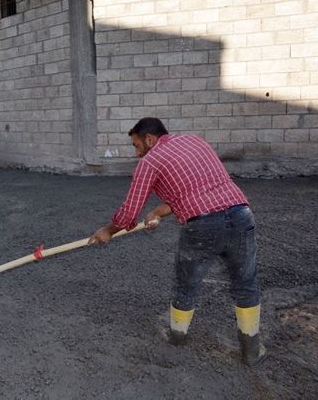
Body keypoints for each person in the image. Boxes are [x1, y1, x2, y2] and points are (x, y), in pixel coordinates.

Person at [88, 117, 265, 366]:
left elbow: (129, 212)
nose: (137, 153)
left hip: (202, 226)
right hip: (241, 215)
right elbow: (196, 190)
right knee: (246, 283)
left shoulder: (150, 161)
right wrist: (157, 212)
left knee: (186, 285)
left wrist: (108, 230)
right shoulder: (194, 141)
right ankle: (251, 352)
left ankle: (178, 340)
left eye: (137, 146)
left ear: (150, 139)